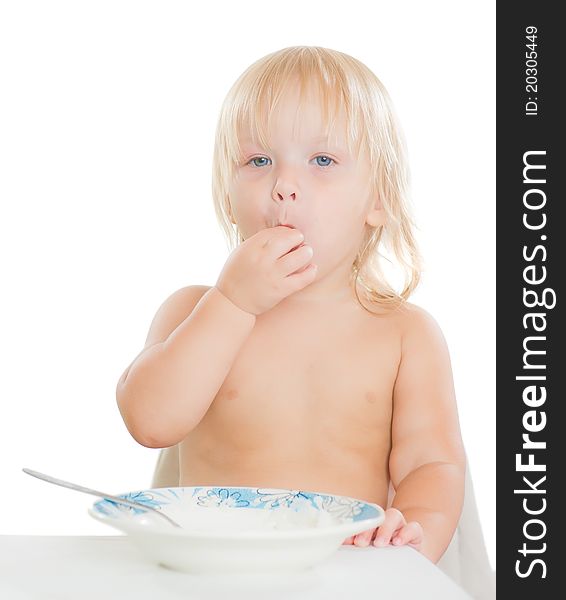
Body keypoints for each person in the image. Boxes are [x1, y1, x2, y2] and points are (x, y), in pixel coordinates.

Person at [116, 46, 466, 564]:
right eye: (258, 161)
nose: (284, 186)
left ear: (378, 200)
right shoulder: (194, 311)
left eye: (322, 161)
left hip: (341, 571)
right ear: (228, 192)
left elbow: (431, 466)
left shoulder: (403, 335)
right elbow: (150, 422)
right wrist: (232, 302)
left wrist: (408, 544)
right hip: (211, 570)